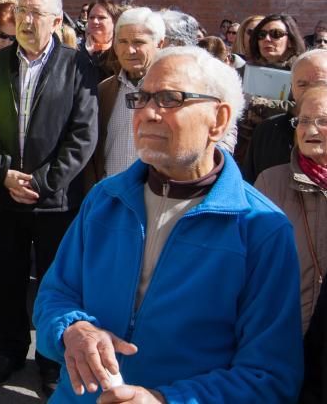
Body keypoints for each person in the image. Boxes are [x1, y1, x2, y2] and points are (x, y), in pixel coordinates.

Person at [33, 46, 303, 404]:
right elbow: (54, 295)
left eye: (170, 99)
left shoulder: (260, 228)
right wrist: (73, 329)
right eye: (142, 98)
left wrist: (164, 400)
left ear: (219, 120)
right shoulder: (104, 199)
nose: (147, 112)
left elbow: (268, 376)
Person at [0, 0, 98, 396]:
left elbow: (83, 135)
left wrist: (43, 183)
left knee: (54, 285)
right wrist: (4, 174)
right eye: (22, 11)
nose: (27, 21)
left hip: (56, 203)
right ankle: (9, 351)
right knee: (4, 281)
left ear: (57, 22)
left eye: (36, 13)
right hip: (6, 196)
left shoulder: (77, 66)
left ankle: (50, 361)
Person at [255, 86, 327, 336]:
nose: (310, 130)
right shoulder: (270, 182)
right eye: (303, 121)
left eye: (323, 121)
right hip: (286, 332)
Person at [84, 7, 164, 189]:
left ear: (160, 43)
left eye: (138, 42)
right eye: (122, 41)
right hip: (110, 196)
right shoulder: (104, 90)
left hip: (154, 198)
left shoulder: (173, 93)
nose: (130, 50)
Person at [243, 49, 327, 183]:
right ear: (292, 88)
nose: (311, 91)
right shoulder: (267, 132)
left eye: (321, 84)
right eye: (302, 84)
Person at [236, 14, 307, 164]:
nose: (267, 39)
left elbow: (306, 107)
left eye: (276, 34)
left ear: (290, 41)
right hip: (245, 147)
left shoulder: (303, 71)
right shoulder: (244, 70)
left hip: (286, 148)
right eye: (261, 35)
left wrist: (265, 105)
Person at [80, 0, 126, 82]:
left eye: (101, 17)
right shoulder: (77, 49)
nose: (95, 21)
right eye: (91, 17)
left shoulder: (122, 51)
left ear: (115, 21)